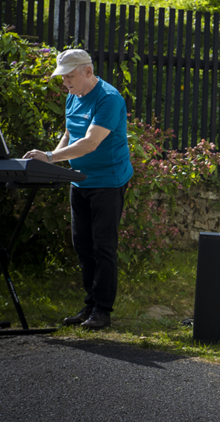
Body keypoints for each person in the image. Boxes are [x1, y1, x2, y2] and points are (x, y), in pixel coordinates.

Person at [23, 49, 133, 330]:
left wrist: (49, 157)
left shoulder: (109, 99)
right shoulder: (74, 95)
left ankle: (103, 311)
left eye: (70, 76)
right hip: (79, 180)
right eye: (63, 77)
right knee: (82, 244)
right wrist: (52, 166)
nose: (65, 83)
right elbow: (69, 134)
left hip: (108, 181)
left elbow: (90, 143)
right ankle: (90, 305)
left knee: (103, 245)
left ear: (88, 71)